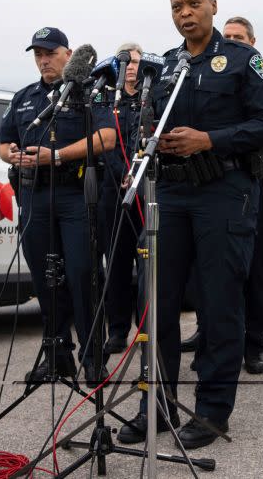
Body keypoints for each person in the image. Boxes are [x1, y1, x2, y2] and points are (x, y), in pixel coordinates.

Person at [120, 0, 263, 450]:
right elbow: (141, 120)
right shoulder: (166, 65)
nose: (185, 13)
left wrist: (210, 139)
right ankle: (157, 403)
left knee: (218, 303)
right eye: (176, 7)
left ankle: (212, 413)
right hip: (168, 192)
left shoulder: (242, 59)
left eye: (193, 4)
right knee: (157, 303)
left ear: (213, 6)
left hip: (223, 191)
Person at [0, 27, 116, 386]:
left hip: (74, 193)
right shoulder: (25, 97)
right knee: (46, 280)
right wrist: (14, 156)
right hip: (34, 196)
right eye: (38, 55)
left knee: (82, 276)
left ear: (69, 53)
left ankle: (93, 359)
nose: (44, 60)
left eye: (50, 53)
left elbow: (107, 138)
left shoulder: (90, 91)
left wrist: (58, 155)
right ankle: (56, 357)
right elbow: (3, 143)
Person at [179, 17, 263, 375]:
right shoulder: (195, 70)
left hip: (250, 183)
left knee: (253, 269)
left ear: (253, 41)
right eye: (227, 37)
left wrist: (215, 140)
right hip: (205, 188)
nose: (231, 42)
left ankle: (254, 342)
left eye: (238, 37)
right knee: (210, 272)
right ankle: (209, 336)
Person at [97, 42, 144, 356]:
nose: (130, 66)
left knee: (148, 261)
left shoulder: (151, 99)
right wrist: (121, 172)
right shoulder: (105, 101)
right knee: (115, 263)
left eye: (136, 61)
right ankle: (117, 331)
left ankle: (147, 328)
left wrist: (136, 174)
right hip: (112, 191)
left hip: (144, 191)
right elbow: (104, 142)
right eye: (124, 61)